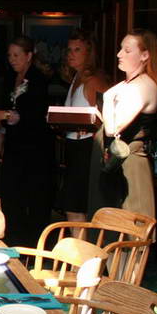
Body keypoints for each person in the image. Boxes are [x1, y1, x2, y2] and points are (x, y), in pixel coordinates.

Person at [87, 29, 157, 220]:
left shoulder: (144, 85)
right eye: (120, 48)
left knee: (129, 223)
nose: (119, 54)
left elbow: (113, 128)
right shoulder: (127, 84)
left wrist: (107, 99)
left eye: (127, 50)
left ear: (145, 55)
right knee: (105, 223)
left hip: (128, 165)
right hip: (112, 163)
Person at [0, 35, 54, 247]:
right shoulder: (10, 77)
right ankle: (12, 243)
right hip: (15, 145)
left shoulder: (38, 80)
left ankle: (32, 247)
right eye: (9, 55)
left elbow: (34, 113)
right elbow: (9, 109)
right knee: (10, 194)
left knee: (31, 196)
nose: (12, 59)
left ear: (29, 56)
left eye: (16, 55)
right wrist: (1, 135)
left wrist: (2, 115)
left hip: (35, 146)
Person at [58, 29, 109, 222]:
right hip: (73, 146)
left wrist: (87, 127)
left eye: (77, 49)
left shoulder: (94, 80)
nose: (71, 54)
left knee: (78, 207)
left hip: (86, 148)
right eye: (69, 49)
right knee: (72, 207)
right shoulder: (76, 78)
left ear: (89, 52)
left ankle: (82, 242)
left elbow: (106, 118)